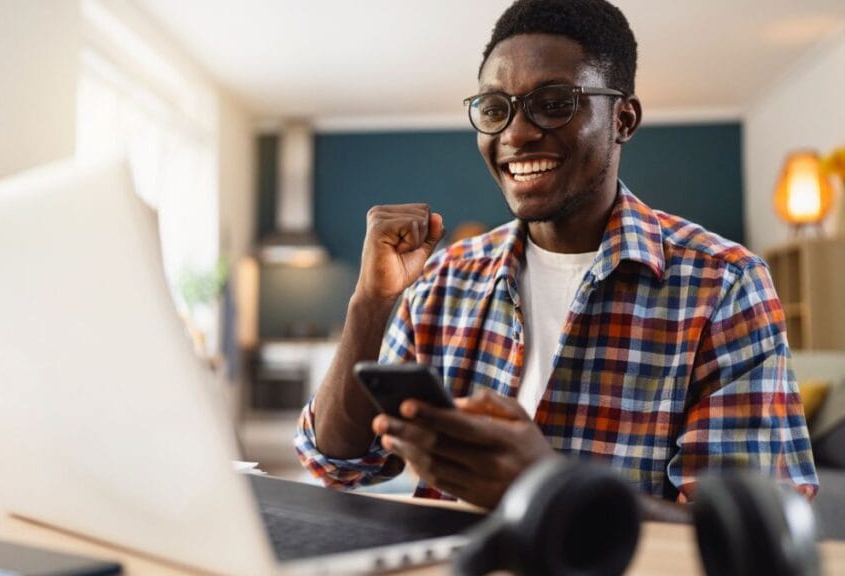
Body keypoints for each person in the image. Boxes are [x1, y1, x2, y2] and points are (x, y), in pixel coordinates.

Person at [294, 0, 818, 522]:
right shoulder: (445, 279)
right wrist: (371, 301)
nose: (516, 134)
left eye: (553, 103)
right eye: (495, 108)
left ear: (623, 119)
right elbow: (338, 464)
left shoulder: (724, 285)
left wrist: (548, 486)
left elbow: (747, 531)